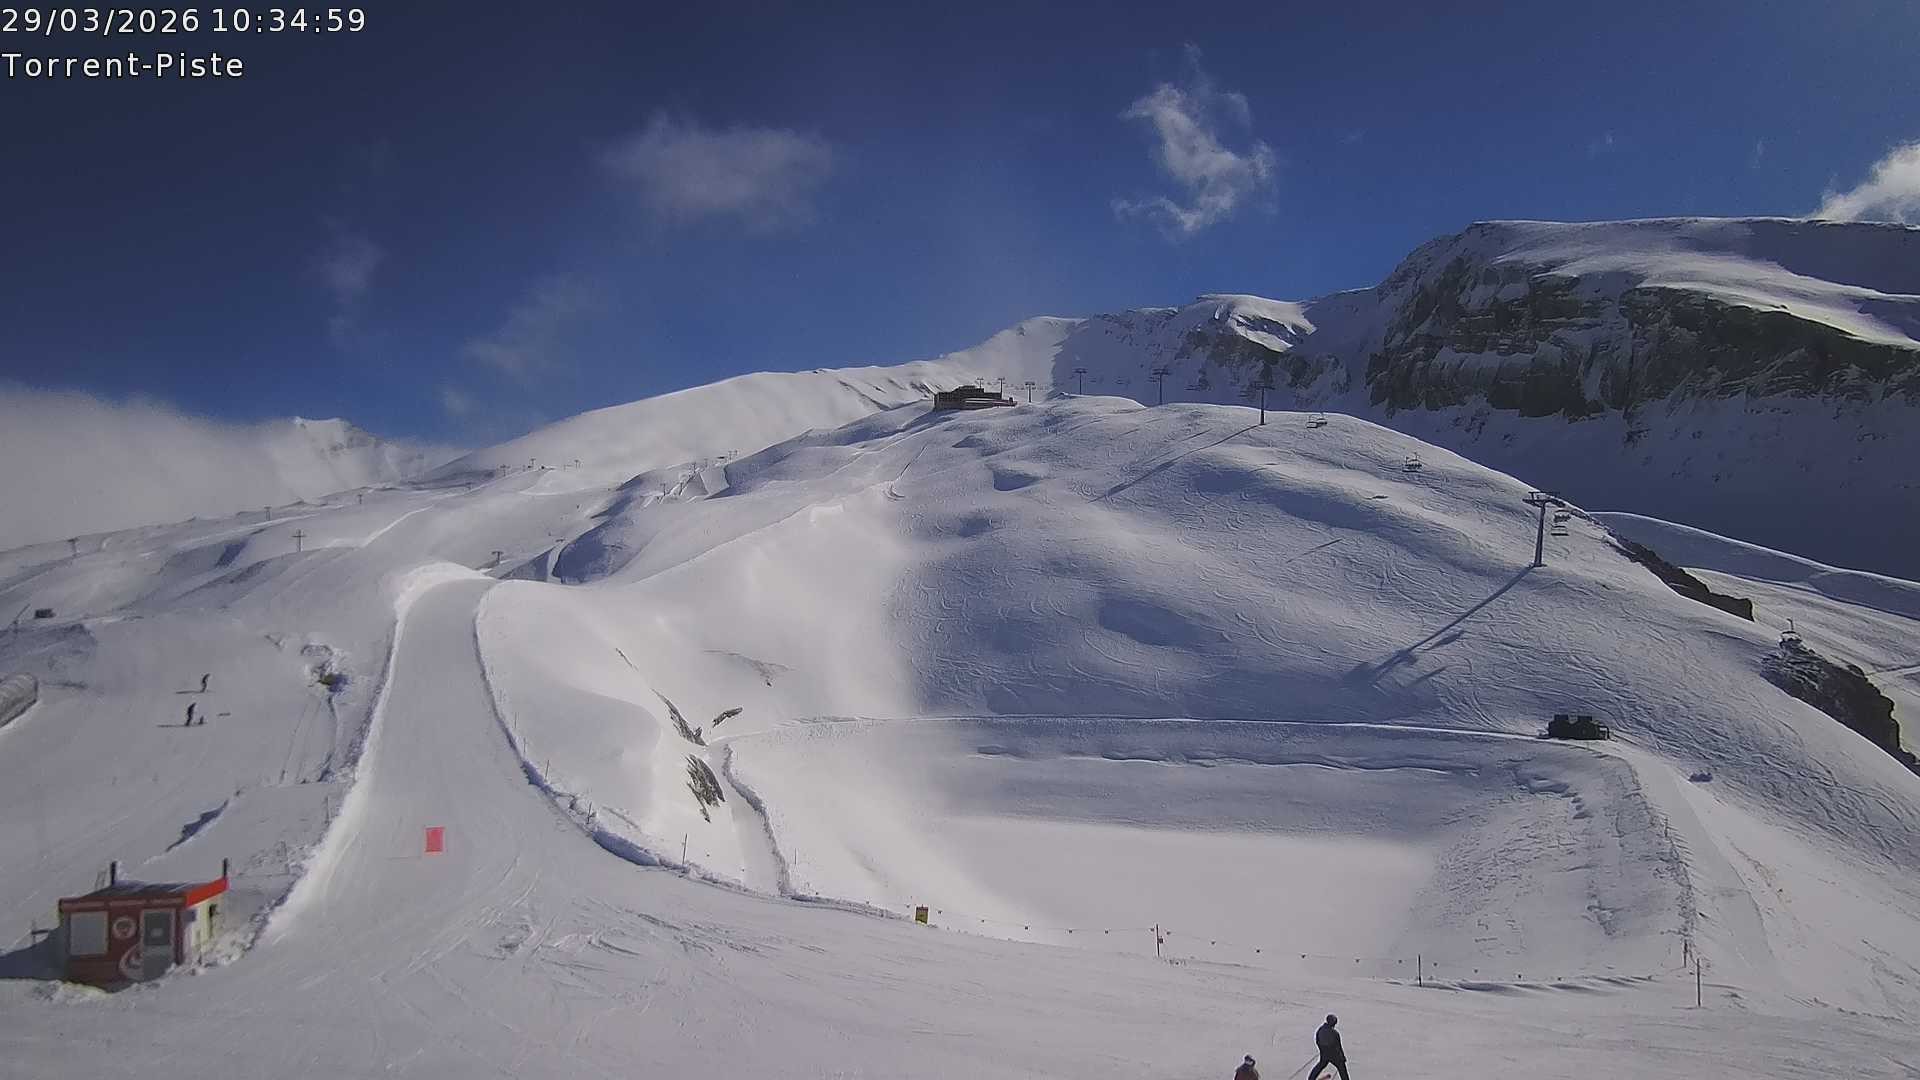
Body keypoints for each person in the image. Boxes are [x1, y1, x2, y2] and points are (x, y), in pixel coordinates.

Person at [1309, 1015, 1349, 1080]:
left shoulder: (1320, 1029)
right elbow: (1339, 1047)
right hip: (1334, 1055)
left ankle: (1311, 1078)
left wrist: (1322, 1050)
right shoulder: (1335, 1033)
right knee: (1341, 1067)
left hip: (1324, 1053)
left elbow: (1317, 1041)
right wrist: (1343, 1057)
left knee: (1321, 1064)